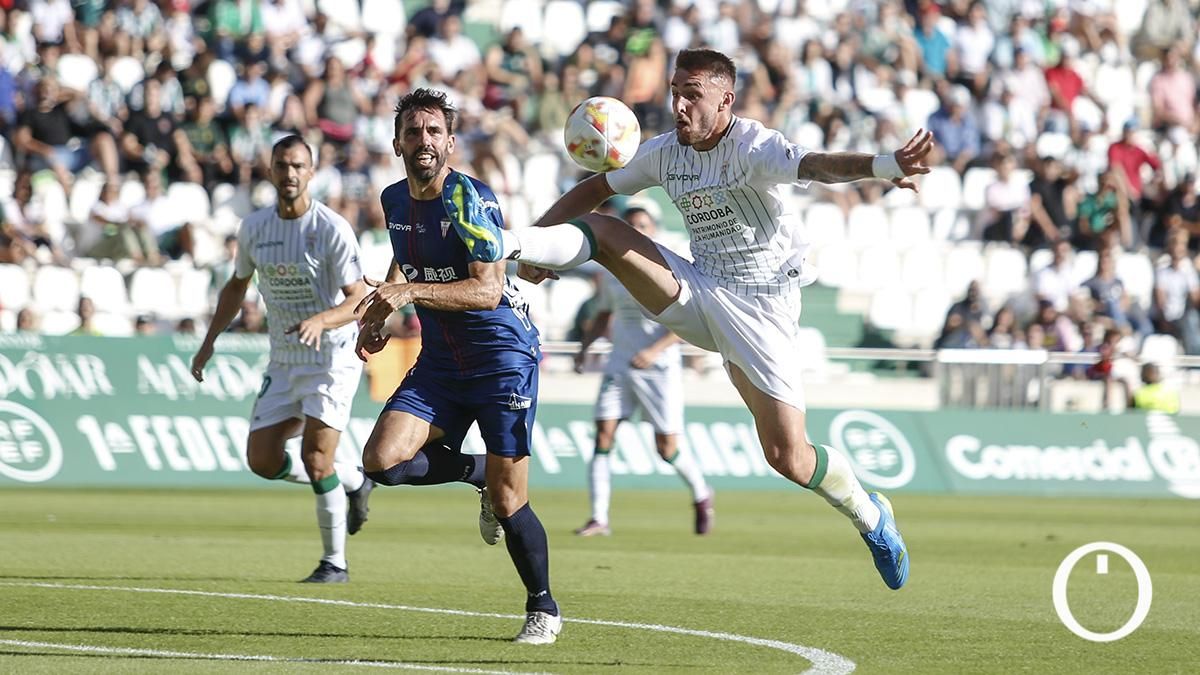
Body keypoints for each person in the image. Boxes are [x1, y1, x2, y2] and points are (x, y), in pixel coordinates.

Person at [502, 48, 916, 590]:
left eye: (691, 93)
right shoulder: (664, 152)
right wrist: (535, 242)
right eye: (675, 91)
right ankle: (505, 245)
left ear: (726, 98)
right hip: (699, 286)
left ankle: (870, 515)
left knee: (787, 457)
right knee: (604, 230)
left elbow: (814, 165)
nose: (678, 104)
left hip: (762, 306)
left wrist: (884, 167)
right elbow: (596, 187)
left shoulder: (753, 144)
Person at [355, 89, 562, 644]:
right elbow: (403, 262)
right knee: (381, 461)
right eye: (412, 131)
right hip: (443, 362)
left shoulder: (469, 198)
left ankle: (543, 607)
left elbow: (488, 289)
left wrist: (407, 294)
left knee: (509, 497)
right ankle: (475, 471)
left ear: (449, 141)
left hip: (502, 360)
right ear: (397, 141)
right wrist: (379, 310)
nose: (423, 140)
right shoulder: (394, 199)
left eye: (432, 132)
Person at [190, 135, 374, 584]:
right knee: (263, 460)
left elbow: (361, 300)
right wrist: (210, 339)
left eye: (297, 166)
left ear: (311, 172)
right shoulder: (254, 227)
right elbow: (237, 285)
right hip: (284, 359)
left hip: (332, 357)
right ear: (269, 171)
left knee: (315, 460)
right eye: (281, 165)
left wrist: (323, 322)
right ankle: (352, 479)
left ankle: (334, 564)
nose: (289, 174)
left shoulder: (330, 228)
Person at [573, 207, 713, 538]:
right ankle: (598, 517)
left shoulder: (671, 268)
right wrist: (584, 347)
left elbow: (691, 324)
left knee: (667, 449)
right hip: (620, 363)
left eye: (642, 225)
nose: (636, 229)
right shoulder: (612, 272)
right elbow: (606, 314)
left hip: (659, 369)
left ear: (654, 229)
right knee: (603, 435)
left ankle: (702, 494)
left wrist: (655, 350)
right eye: (631, 225)